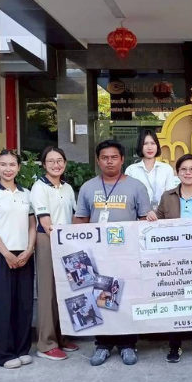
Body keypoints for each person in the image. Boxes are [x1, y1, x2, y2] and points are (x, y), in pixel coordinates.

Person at [74, 139, 151, 366]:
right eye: (105, 158)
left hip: (127, 253)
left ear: (122, 160)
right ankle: (103, 344)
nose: (109, 161)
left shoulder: (136, 186)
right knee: (100, 297)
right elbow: (80, 220)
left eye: (114, 157)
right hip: (98, 254)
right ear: (98, 160)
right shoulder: (88, 187)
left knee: (126, 297)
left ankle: (128, 344)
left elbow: (145, 220)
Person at [150, 154, 192, 363]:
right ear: (177, 172)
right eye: (183, 169)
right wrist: (152, 218)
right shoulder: (167, 196)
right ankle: (174, 345)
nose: (188, 173)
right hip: (173, 259)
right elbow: (158, 222)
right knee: (174, 302)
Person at [0, 150, 36, 369]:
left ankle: (22, 349)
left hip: (24, 254)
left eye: (12, 164)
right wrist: (6, 253)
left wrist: (29, 249)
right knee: (3, 304)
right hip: (1, 254)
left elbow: (32, 225)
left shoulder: (26, 194)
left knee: (24, 304)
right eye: (3, 164)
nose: (8, 169)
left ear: (19, 167)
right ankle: (5, 354)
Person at [30, 146, 78, 362]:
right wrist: (63, 240)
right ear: (43, 164)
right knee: (48, 293)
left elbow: (75, 216)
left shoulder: (67, 188)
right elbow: (45, 222)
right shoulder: (39, 187)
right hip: (47, 241)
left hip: (67, 242)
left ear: (65, 163)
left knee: (66, 291)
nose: (56, 165)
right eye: (50, 161)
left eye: (59, 160)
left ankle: (62, 336)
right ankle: (46, 344)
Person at [126, 128, 176, 212]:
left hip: (162, 214)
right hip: (139, 215)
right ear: (140, 146)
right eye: (146, 144)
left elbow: (170, 195)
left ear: (157, 146)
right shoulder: (131, 170)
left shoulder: (166, 169)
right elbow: (129, 197)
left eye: (153, 143)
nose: (150, 147)